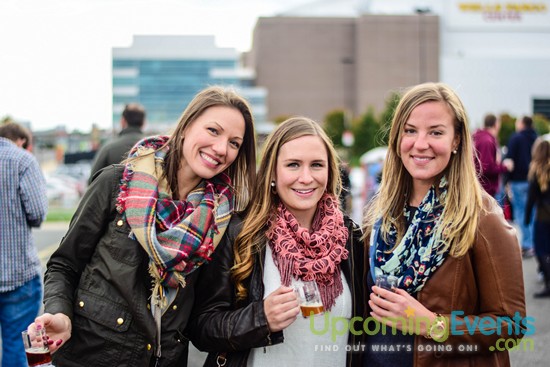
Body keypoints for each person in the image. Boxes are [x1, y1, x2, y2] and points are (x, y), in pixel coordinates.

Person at [30, 86, 257, 367]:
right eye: (213, 130)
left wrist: (260, 320)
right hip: (90, 356)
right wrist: (60, 313)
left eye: (234, 143)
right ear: (185, 126)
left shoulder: (220, 222)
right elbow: (64, 264)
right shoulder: (115, 184)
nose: (222, 148)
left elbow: (203, 318)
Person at [362, 82, 526, 366]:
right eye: (410, 130)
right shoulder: (380, 217)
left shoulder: (481, 218)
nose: (420, 143)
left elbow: (511, 325)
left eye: (436, 132)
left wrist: (432, 324)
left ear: (457, 140)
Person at [188, 117, 366, 366]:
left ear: (329, 171)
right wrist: (260, 318)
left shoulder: (351, 238)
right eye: (293, 165)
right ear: (272, 172)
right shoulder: (241, 234)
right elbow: (201, 327)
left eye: (316, 165)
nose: (305, 177)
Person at [0, 122, 48, 367]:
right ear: (20, 140)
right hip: (18, 275)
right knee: (17, 347)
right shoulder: (22, 161)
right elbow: (37, 213)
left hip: (17, 275)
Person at [88, 103, 147, 183]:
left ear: (123, 121)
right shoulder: (155, 148)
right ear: (143, 123)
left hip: (115, 195)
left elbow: (92, 180)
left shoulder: (108, 148)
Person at [506, 115, 538, 257]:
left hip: (518, 180)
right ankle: (534, 242)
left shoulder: (516, 138)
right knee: (532, 212)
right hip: (533, 180)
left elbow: (510, 159)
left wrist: (507, 180)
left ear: (522, 124)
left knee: (521, 212)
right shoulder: (536, 139)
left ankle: (527, 244)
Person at [525, 139, 550, 298]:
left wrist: (526, 218)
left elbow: (531, 198)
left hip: (543, 216)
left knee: (541, 250)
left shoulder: (536, 170)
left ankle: (548, 283)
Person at [472, 113, 510, 197]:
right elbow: (486, 167)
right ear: (496, 124)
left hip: (481, 187)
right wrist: (505, 167)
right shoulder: (487, 141)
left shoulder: (480, 137)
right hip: (487, 189)